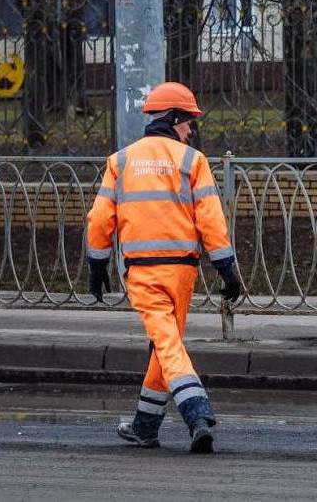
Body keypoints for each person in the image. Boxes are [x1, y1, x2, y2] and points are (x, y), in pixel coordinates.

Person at [86, 81, 242, 454]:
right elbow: (211, 218)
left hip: (142, 273)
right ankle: (145, 426)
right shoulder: (193, 161)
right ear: (173, 119)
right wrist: (226, 266)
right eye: (187, 121)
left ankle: (197, 415)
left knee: (166, 345)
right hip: (183, 272)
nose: (190, 129)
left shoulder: (120, 161)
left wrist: (97, 264)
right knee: (166, 344)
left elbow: (99, 219)